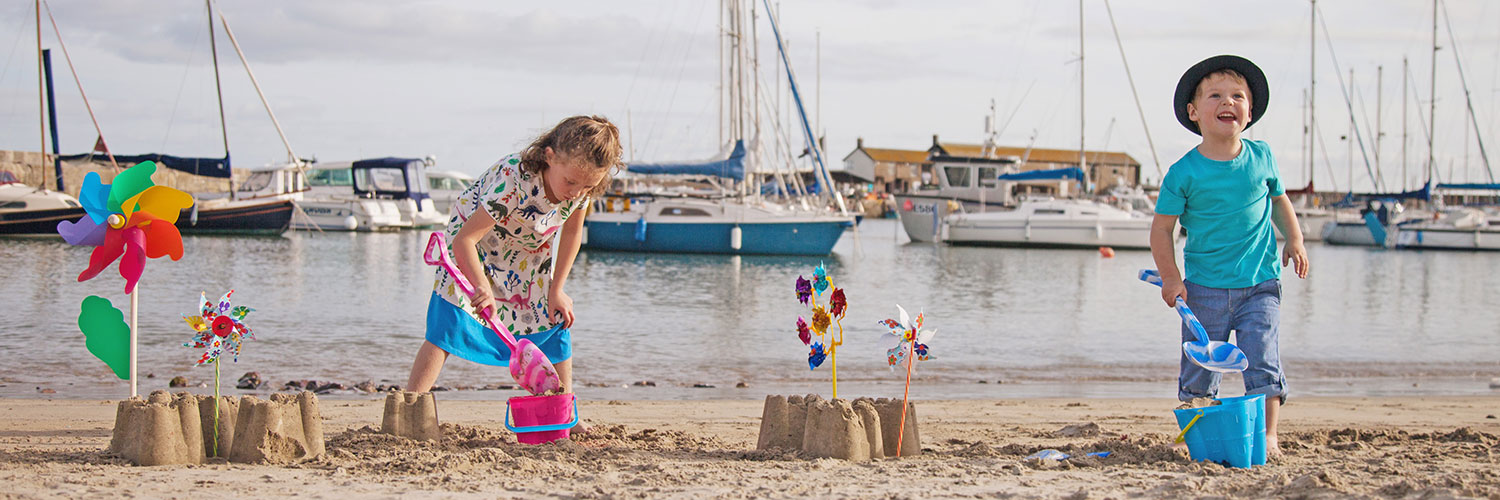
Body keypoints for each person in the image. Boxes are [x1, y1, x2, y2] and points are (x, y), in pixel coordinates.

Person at [1149, 55, 1310, 456]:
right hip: (1203, 288)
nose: (1229, 101)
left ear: (1249, 111)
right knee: (1201, 367)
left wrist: (1295, 238)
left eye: (1238, 96)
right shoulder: (1184, 172)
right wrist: (1171, 278)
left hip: (1260, 284)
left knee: (1262, 358)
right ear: (1193, 112)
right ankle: (1198, 433)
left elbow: (1279, 200)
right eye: (1216, 95)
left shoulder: (1262, 156)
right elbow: (1162, 229)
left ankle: (1269, 435)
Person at [406, 115, 620, 405]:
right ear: (549, 156)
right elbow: (464, 240)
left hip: (526, 251)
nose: (575, 192)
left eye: (586, 186)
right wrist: (481, 287)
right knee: (448, 322)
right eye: (570, 181)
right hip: (473, 246)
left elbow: (572, 234)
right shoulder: (513, 180)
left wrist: (557, 289)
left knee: (555, 322)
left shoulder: (581, 189)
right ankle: (411, 403)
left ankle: (564, 410)